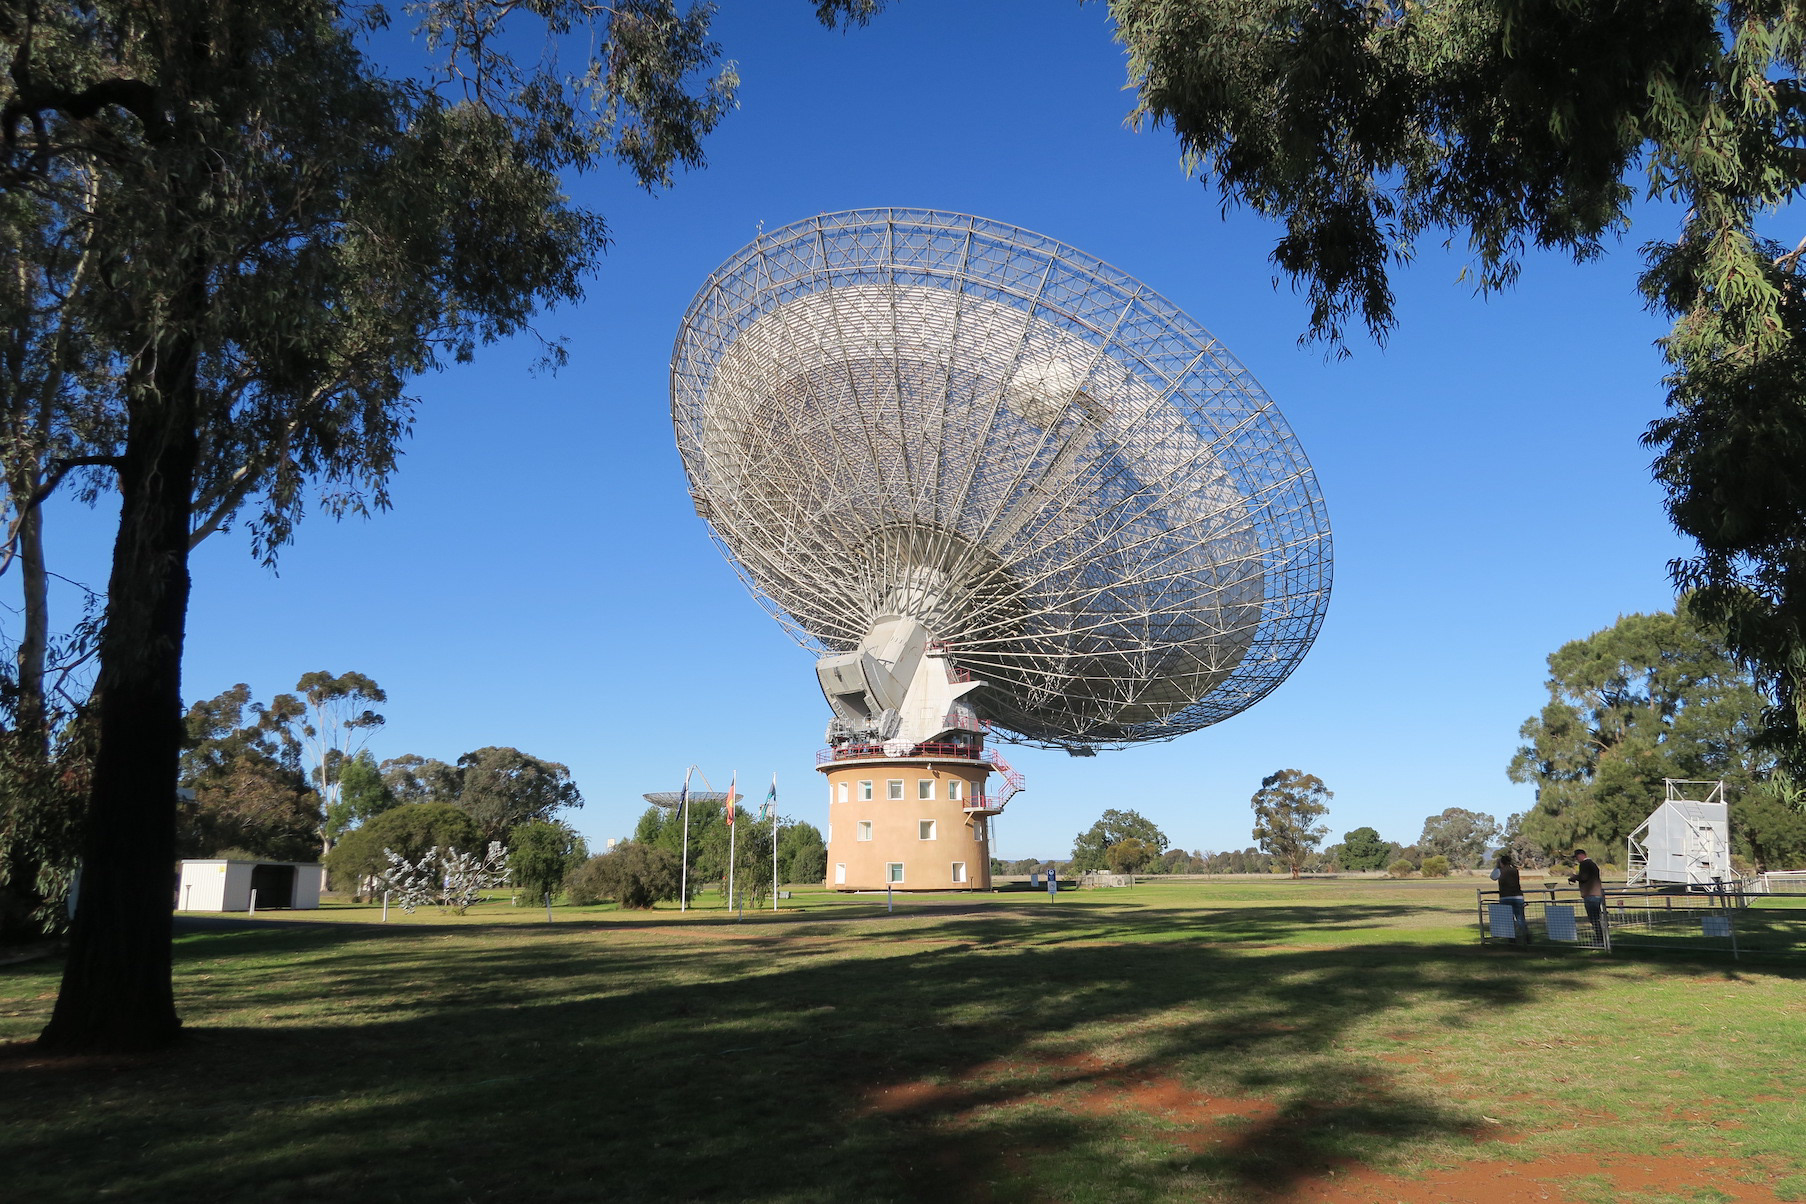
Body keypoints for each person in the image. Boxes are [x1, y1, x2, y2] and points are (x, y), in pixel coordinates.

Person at [1490, 851, 1529, 945]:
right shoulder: (1515, 870)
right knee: (1521, 919)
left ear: (1501, 863)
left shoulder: (1500, 871)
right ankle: (1526, 938)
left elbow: (1492, 877)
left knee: (1508, 920)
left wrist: (1497, 866)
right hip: (1518, 897)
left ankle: (1512, 939)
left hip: (1505, 897)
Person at [1568, 848, 1606, 943]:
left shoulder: (1584, 864)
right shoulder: (1592, 864)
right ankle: (1603, 939)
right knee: (1598, 918)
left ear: (1581, 855)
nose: (1576, 860)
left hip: (1590, 895)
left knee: (1594, 919)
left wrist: (1574, 877)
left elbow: (1584, 877)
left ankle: (1600, 939)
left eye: (1576, 857)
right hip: (1597, 894)